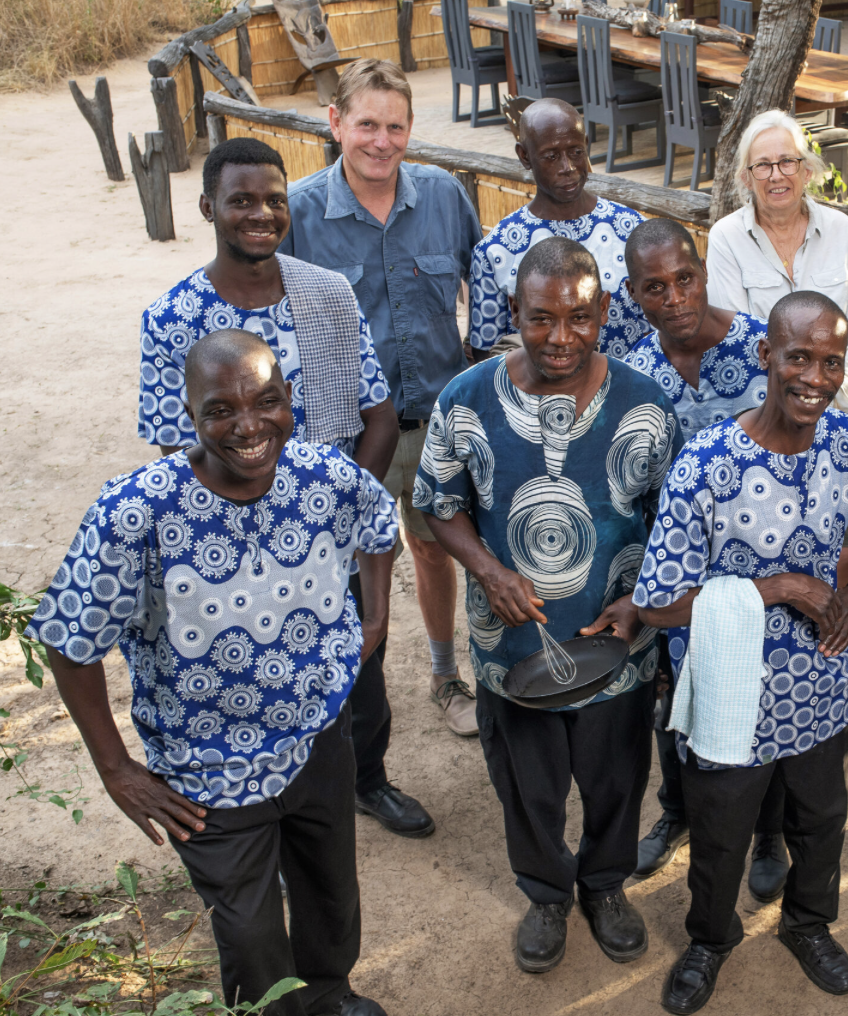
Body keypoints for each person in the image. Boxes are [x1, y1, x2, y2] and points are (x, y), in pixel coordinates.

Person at [33, 330, 398, 1016]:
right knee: (250, 934)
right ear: (190, 413)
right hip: (208, 772)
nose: (249, 425)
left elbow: (380, 528)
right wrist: (117, 769)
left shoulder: (326, 475)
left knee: (330, 895)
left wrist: (373, 622)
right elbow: (70, 639)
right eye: (221, 409)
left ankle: (327, 996)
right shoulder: (136, 513)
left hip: (318, 735)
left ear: (290, 399)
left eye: (266, 401)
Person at [135, 137, 435, 841]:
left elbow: (378, 415)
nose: (261, 214)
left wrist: (340, 520)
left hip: (331, 533)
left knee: (362, 668)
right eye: (241, 200)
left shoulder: (327, 293)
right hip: (222, 540)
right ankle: (258, 810)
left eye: (274, 200)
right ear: (209, 206)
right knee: (246, 670)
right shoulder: (171, 319)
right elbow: (172, 450)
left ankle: (367, 781)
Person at [416, 237, 681, 975]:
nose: (560, 338)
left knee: (617, 778)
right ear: (512, 312)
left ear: (603, 314)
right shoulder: (465, 400)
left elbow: (677, 521)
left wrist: (642, 600)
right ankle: (544, 893)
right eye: (540, 319)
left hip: (617, 646)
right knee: (527, 786)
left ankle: (603, 888)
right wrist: (488, 568)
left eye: (578, 318)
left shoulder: (645, 404)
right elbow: (439, 504)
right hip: (513, 650)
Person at [634, 291, 848, 1015]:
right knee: (721, 832)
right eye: (798, 357)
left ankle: (808, 926)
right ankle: (710, 940)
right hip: (732, 692)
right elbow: (658, 601)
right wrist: (780, 587)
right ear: (765, 357)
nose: (815, 376)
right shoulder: (709, 463)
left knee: (820, 818)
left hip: (819, 686)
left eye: (830, 361)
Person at [704, 107, 848, 898]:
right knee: (766, 585)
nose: (777, 175)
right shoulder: (726, 240)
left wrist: (825, 404)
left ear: (809, 168)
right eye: (762, 164)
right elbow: (743, 340)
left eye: (789, 162)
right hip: (761, 434)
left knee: (839, 564)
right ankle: (764, 829)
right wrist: (784, 417)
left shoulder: (838, 231)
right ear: (746, 177)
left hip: (830, 424)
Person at [282, 59, 484, 744]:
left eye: (394, 126)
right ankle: (348, 696)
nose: (381, 140)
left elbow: (480, 301)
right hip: (345, 433)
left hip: (437, 420)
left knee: (433, 549)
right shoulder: (299, 214)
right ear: (335, 122)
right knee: (349, 560)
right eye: (366, 123)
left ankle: (444, 674)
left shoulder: (445, 197)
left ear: (409, 129)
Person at [619, 217, 770, 882]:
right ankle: (675, 810)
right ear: (634, 294)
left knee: (765, 698)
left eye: (685, 279)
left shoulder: (767, 348)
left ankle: (772, 836)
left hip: (764, 568)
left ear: (705, 273)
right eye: (656, 288)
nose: (675, 298)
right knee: (671, 697)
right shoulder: (633, 376)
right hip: (673, 575)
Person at [469, 98, 647, 361]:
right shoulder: (497, 250)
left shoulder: (632, 230)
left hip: (630, 396)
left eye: (576, 151)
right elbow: (485, 354)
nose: (568, 168)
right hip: (536, 401)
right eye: (551, 156)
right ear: (524, 156)